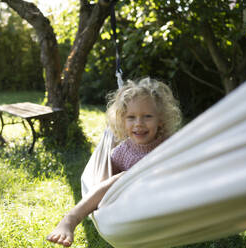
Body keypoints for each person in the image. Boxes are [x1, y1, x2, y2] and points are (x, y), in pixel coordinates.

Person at [46, 77, 182, 247]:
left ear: (160, 119)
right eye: (131, 117)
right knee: (123, 177)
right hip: (131, 208)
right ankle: (70, 219)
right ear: (122, 121)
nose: (139, 124)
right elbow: (108, 187)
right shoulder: (120, 152)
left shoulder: (171, 145)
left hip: (162, 201)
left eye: (147, 116)